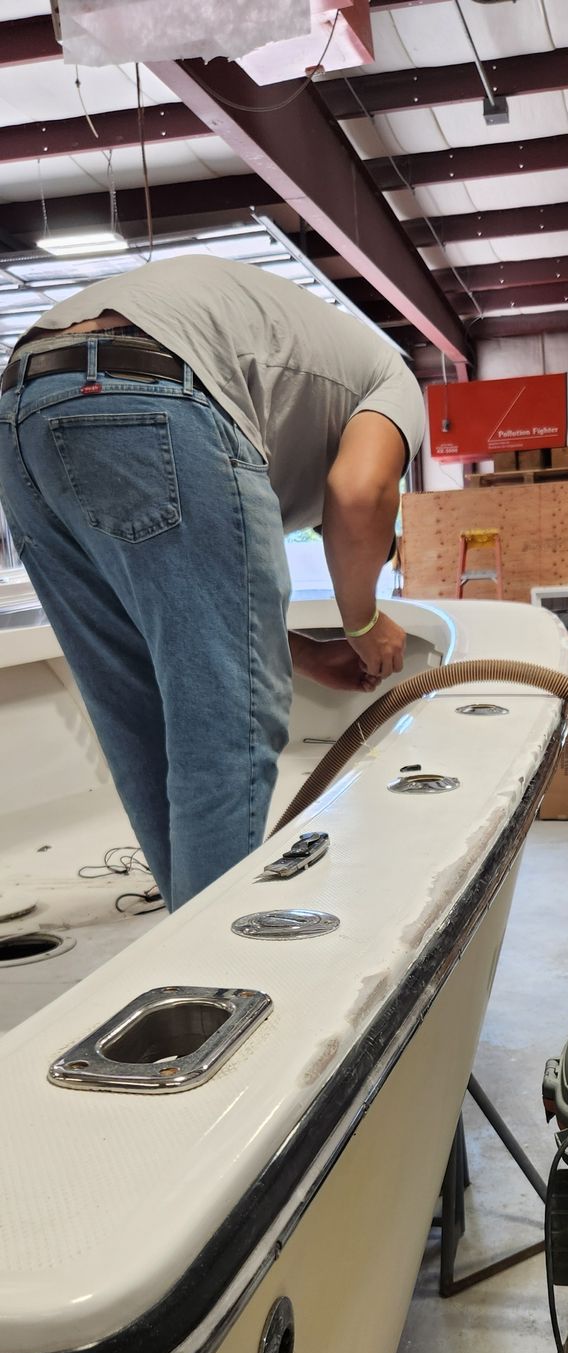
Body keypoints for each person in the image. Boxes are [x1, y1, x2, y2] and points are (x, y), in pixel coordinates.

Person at [0, 255, 424, 909]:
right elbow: (360, 497)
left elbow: (191, 600)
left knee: (138, 721)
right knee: (226, 734)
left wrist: (305, 655)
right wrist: (364, 623)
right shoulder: (395, 382)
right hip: (155, 388)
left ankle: (183, 950)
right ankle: (218, 980)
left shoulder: (301, 404)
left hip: (21, 411)